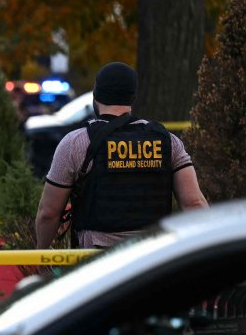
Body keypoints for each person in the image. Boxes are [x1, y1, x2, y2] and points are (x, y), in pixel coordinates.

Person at [34, 61, 209, 250]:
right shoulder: (167, 140)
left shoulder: (76, 143)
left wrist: (41, 256)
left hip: (97, 261)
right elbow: (193, 203)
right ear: (132, 97)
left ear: (96, 95)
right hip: (155, 258)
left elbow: (48, 213)